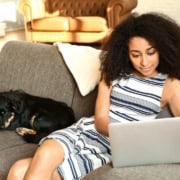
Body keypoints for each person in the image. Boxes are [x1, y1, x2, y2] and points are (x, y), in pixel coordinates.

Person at [7, 12, 180, 180]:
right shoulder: (113, 72)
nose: (144, 62)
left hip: (114, 147)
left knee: (19, 171)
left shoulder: (170, 85)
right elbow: (100, 119)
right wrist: (118, 131)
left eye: (151, 53)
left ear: (163, 49)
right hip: (88, 130)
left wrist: (134, 139)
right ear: (125, 52)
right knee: (44, 153)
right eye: (136, 54)